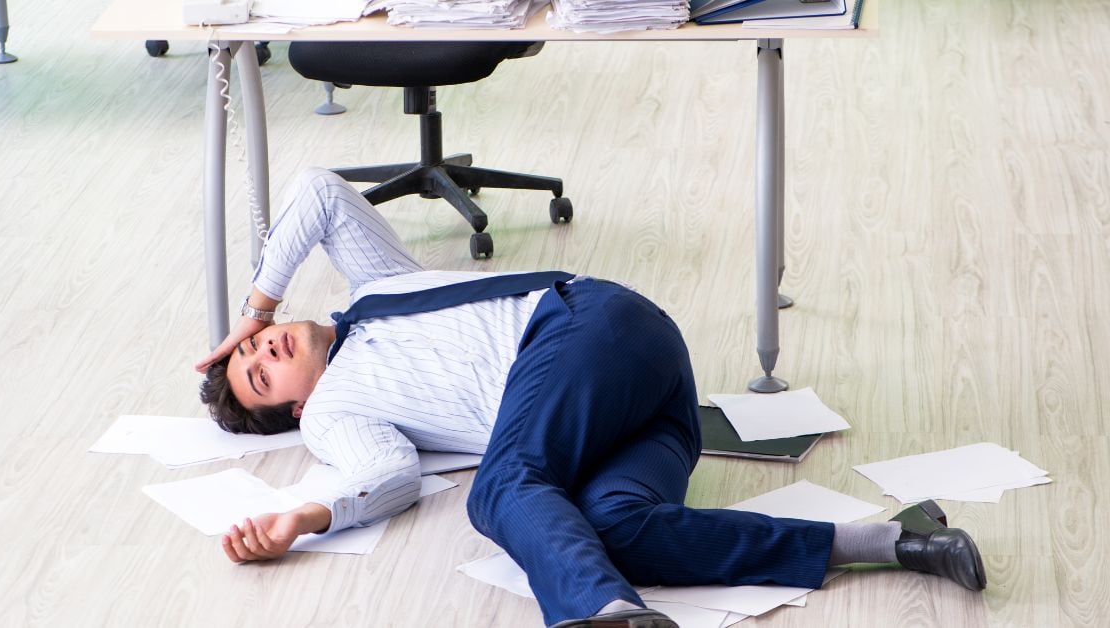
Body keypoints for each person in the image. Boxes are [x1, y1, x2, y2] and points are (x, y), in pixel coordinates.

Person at [195, 169, 986, 628]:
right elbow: (390, 473)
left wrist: (251, 311)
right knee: (614, 527)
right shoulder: (337, 411)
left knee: (501, 490)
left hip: (588, 324)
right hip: (643, 408)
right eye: (261, 373)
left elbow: (317, 192)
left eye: (259, 345)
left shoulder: (373, 288)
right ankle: (893, 542)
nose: (266, 350)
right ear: (296, 412)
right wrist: (303, 516)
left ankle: (607, 618)